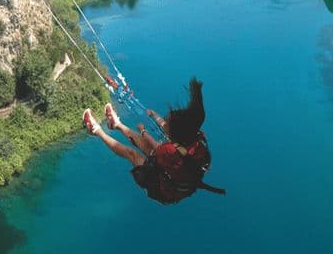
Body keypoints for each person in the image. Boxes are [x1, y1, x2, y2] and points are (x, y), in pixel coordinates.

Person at [82, 78, 225, 204]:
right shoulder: (194, 136)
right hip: (175, 174)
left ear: (175, 134)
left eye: (167, 122)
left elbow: (154, 146)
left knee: (133, 154)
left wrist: (143, 131)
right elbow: (163, 128)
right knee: (148, 149)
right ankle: (116, 124)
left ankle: (96, 130)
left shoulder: (169, 150)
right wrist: (154, 115)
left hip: (163, 190)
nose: (164, 123)